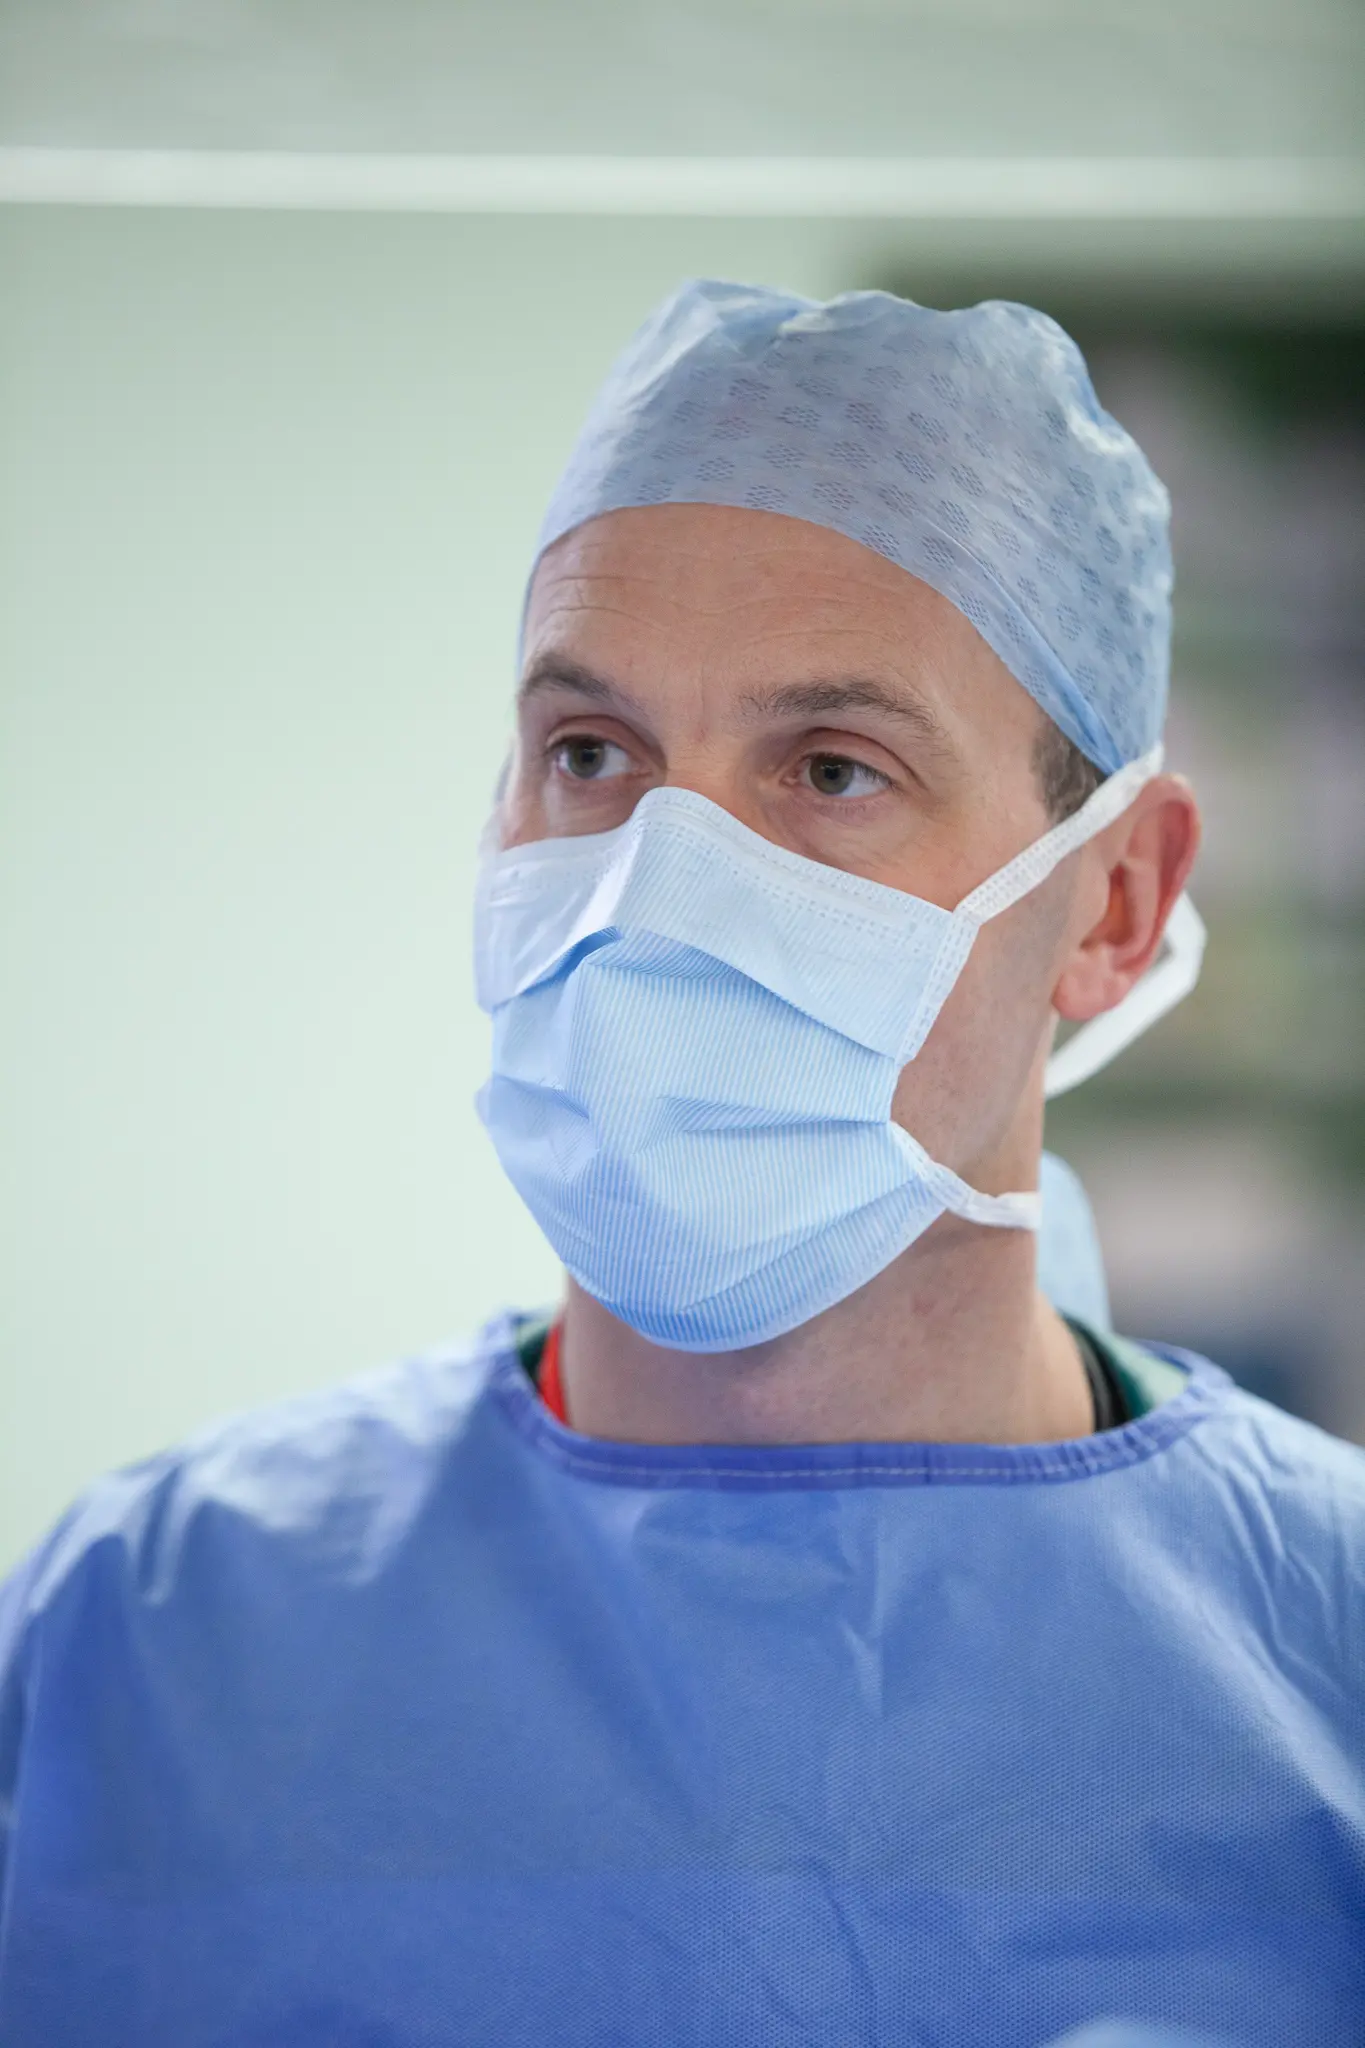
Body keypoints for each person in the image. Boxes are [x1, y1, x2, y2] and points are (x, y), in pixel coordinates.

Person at [0, 282, 1361, 2048]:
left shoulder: (1327, 1657)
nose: (658, 882)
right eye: (591, 754)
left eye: (832, 770)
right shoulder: (150, 1637)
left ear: (1114, 903)